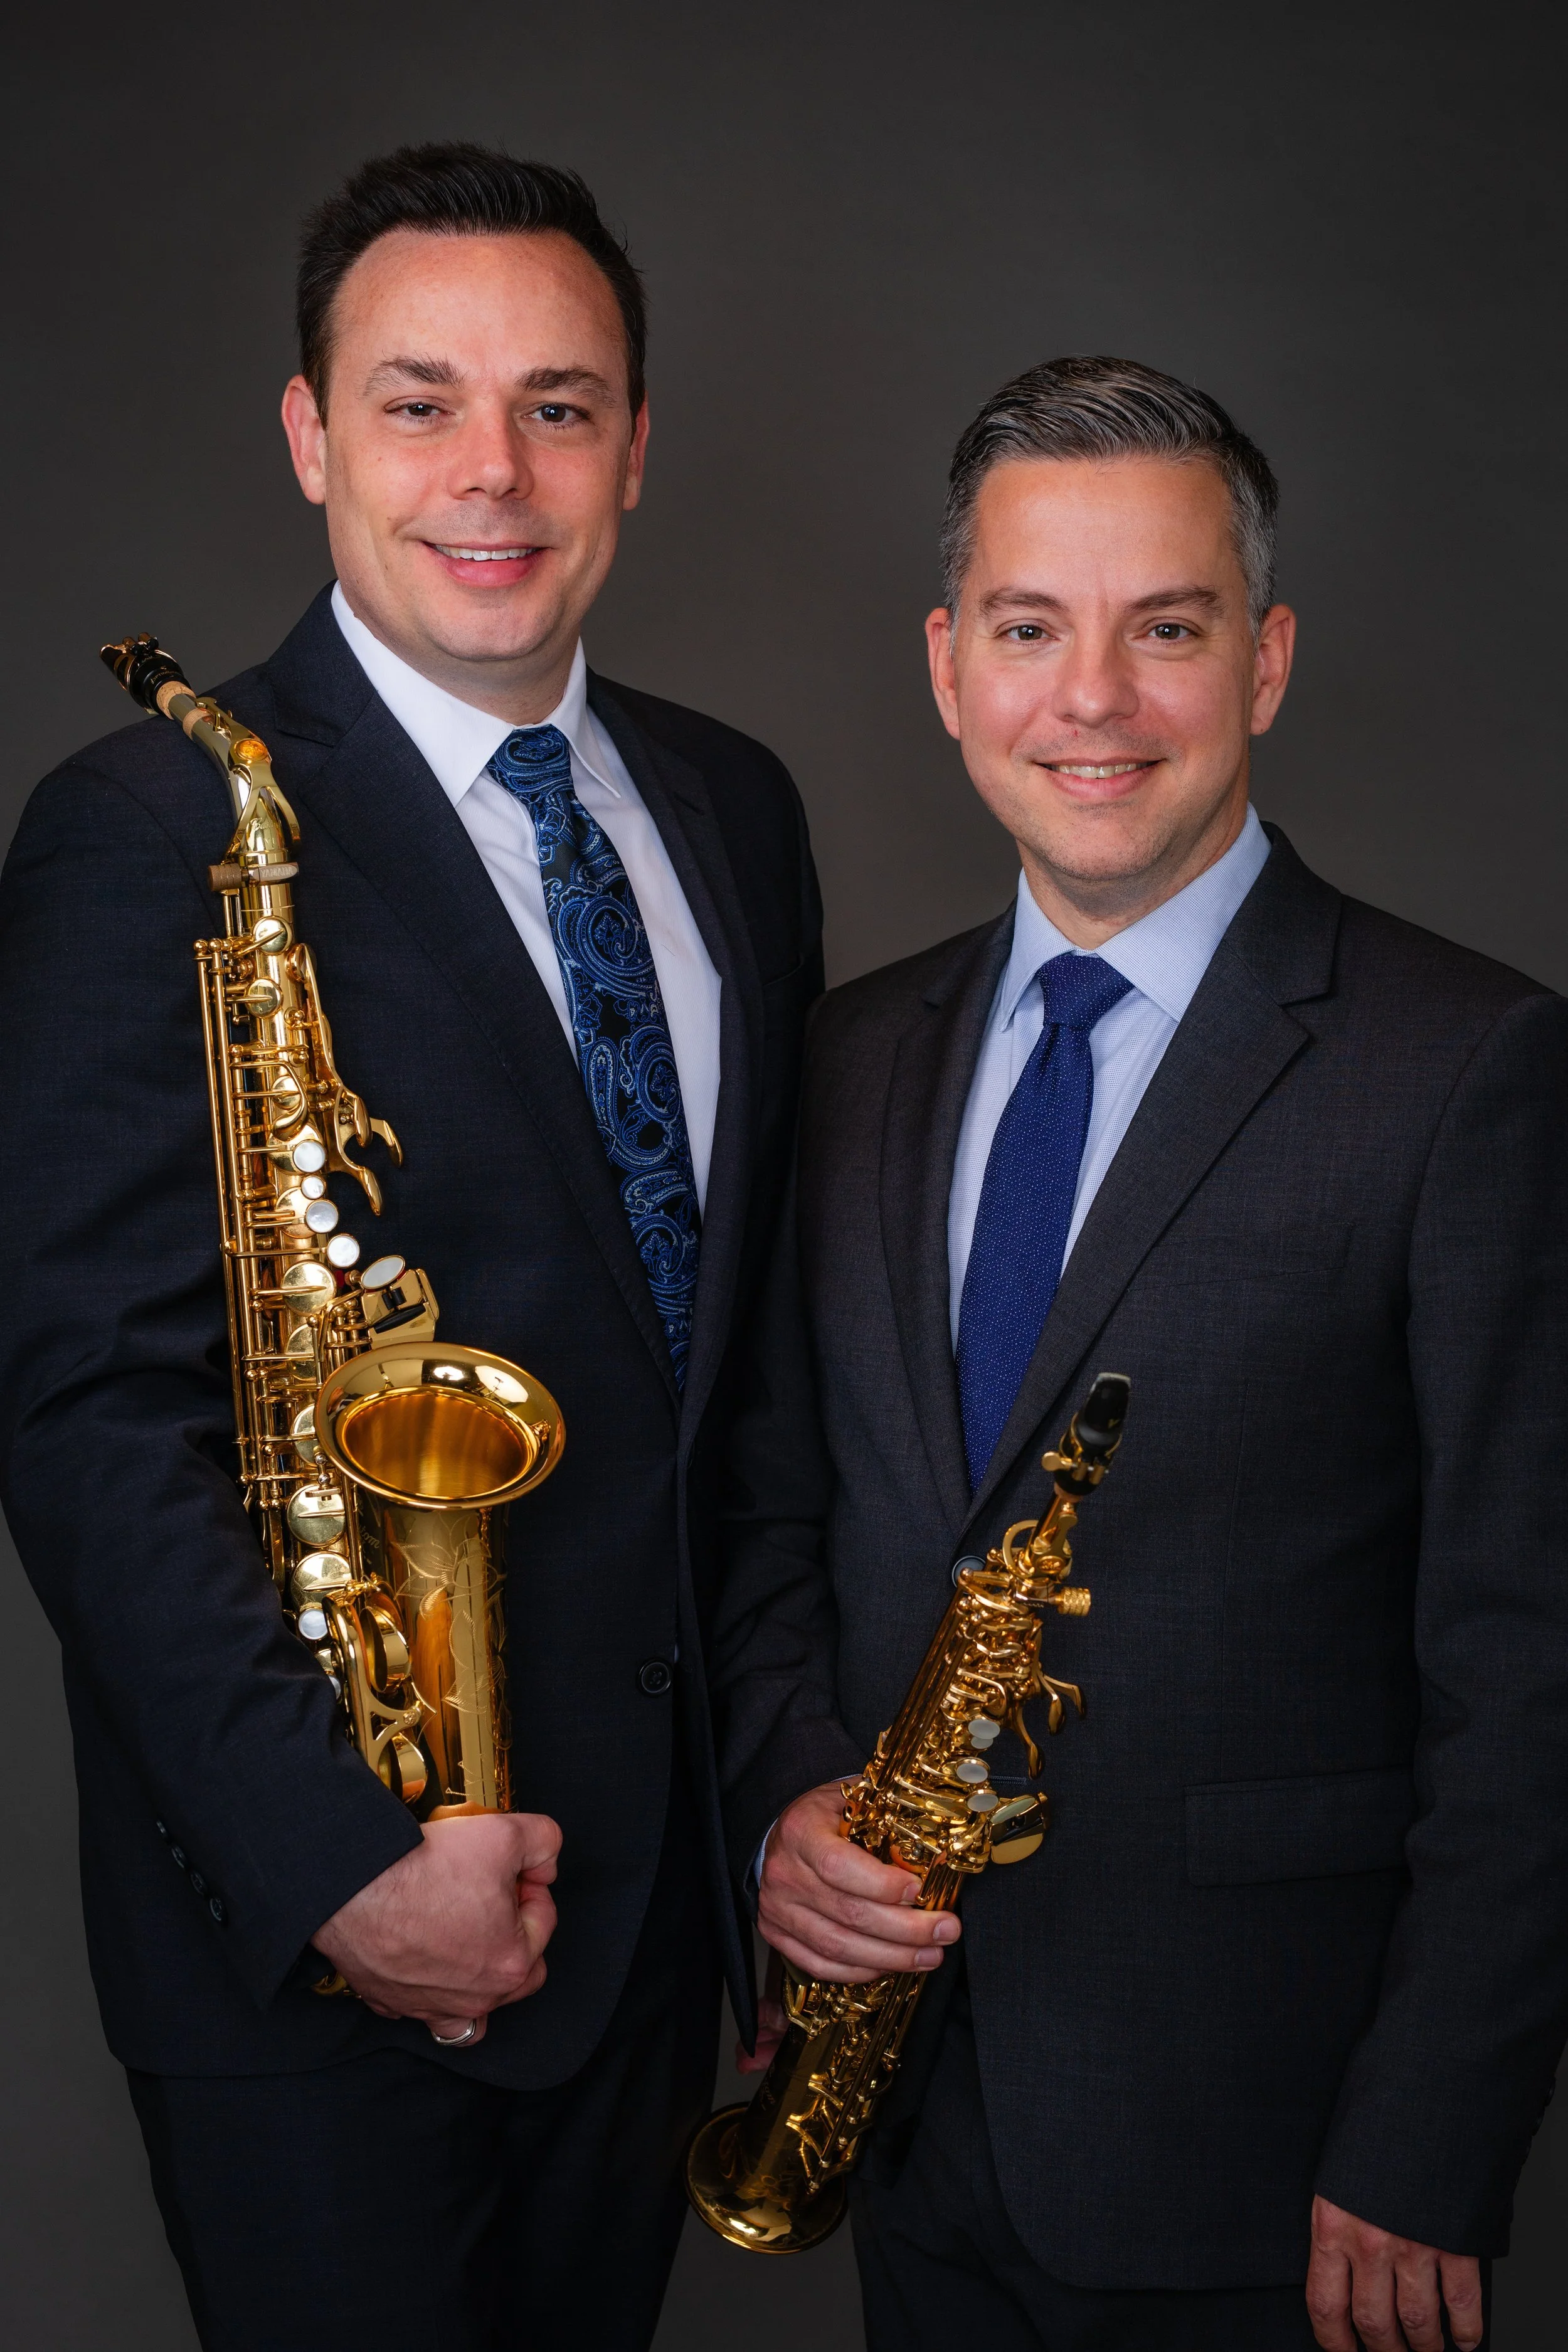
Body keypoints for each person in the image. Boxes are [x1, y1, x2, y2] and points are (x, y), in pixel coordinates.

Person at [0, 144, 823, 2351]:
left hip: (652, 1930)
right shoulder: (149, 828)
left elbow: (732, 1386)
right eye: (416, 399)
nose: (494, 470)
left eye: (559, 404)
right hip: (325, 1936)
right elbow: (86, 1414)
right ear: (307, 436)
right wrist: (344, 1863)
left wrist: (771, 1813)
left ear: (635, 448)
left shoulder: (734, 807)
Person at [712, 356, 1568, 2351]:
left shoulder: (1467, 1069)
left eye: (1161, 627)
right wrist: (784, 1806)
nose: (1088, 697)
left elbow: (1534, 1657)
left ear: (1260, 661)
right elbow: (768, 1509)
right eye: (1030, 626)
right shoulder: (847, 1055)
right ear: (948, 664)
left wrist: (1430, 2133)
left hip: (1277, 2165)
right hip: (902, 2111)